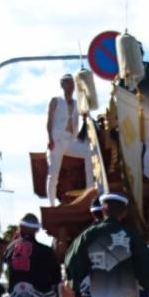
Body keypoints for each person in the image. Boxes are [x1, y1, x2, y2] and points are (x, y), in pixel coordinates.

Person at [46, 74, 94, 206]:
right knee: (53, 173)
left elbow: (87, 115)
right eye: (67, 83)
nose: (71, 85)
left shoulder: (77, 103)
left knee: (89, 152)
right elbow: (49, 121)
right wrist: (50, 138)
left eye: (72, 83)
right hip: (57, 139)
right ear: (62, 85)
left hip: (71, 140)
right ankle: (51, 205)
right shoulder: (55, 100)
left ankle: (90, 190)